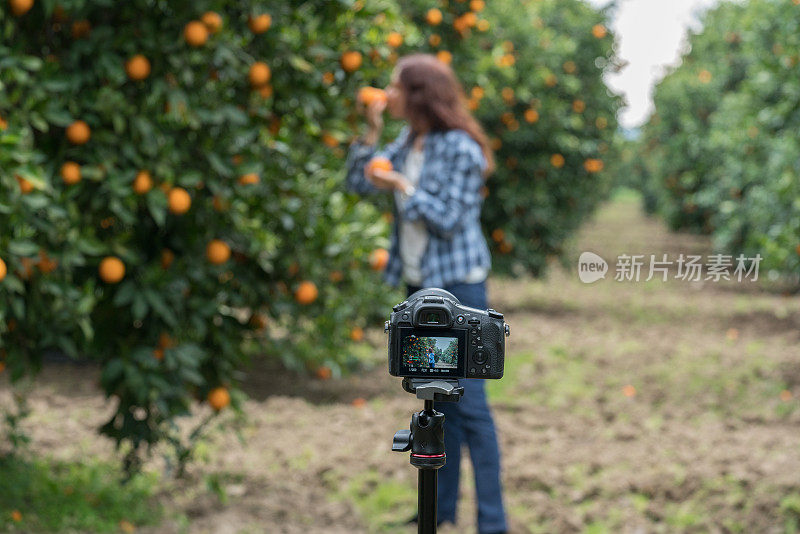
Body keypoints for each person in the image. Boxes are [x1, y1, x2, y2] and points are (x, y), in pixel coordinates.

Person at [344, 53, 508, 534]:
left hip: (460, 286)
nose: (386, 94)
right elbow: (358, 182)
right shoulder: (407, 140)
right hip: (420, 287)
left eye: (395, 87)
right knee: (436, 400)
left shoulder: (460, 148)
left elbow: (448, 219)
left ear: (417, 94)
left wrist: (398, 182)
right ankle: (440, 512)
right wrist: (371, 136)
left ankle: (493, 523)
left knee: (471, 406)